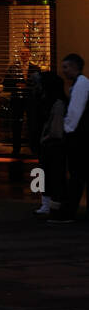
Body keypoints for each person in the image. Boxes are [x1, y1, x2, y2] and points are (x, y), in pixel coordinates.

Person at [50, 53, 89, 223]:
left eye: (66, 67)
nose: (63, 70)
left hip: (79, 138)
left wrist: (65, 130)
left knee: (76, 175)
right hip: (80, 137)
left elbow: (75, 112)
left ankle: (68, 212)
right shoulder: (80, 83)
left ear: (75, 67)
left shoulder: (81, 84)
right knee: (79, 176)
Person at [35, 71, 67, 217]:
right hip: (50, 144)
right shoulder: (53, 100)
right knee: (48, 174)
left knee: (50, 175)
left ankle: (50, 205)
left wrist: (45, 138)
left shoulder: (55, 103)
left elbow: (56, 129)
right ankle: (48, 204)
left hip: (52, 145)